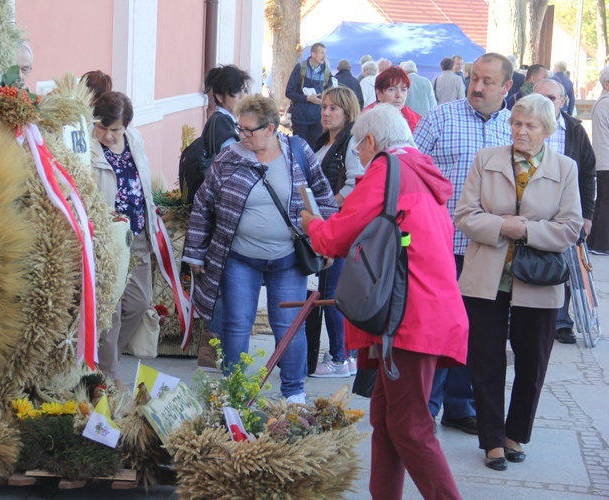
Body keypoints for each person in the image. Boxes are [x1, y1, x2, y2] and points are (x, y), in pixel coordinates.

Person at [303, 104, 467, 499]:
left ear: (372, 142)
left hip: (407, 319)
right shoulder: (419, 170)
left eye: (358, 149)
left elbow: (335, 237)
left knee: (410, 426)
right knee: (387, 419)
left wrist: (312, 223)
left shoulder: (386, 169)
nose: (357, 158)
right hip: (419, 312)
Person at [454, 93, 582, 471]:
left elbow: (570, 229)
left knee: (533, 362)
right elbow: (464, 215)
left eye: (530, 126)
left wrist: (526, 230)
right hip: (486, 277)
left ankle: (515, 435)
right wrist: (501, 225)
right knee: (486, 360)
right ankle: (492, 440)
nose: (521, 131)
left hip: (538, 280)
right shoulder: (486, 159)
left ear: (547, 130)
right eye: (516, 124)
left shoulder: (565, 168)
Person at [183, 94, 338, 403]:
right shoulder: (230, 157)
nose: (242, 136)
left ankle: (294, 393)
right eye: (240, 129)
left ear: (270, 129)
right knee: (237, 322)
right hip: (240, 257)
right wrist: (196, 252)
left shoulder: (297, 151)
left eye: (249, 130)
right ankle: (234, 391)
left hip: (289, 257)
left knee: (288, 325)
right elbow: (203, 204)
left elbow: (323, 196)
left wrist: (327, 240)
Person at [414, 52, 515, 435]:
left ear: (507, 87)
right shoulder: (441, 117)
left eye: (488, 81)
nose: (477, 86)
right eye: (474, 78)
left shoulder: (514, 126)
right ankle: (427, 406)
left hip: (491, 249)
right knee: (437, 329)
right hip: (442, 245)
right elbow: (410, 167)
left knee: (476, 333)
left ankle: (461, 406)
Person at [91, 91, 158, 387]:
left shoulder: (135, 141)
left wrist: (152, 218)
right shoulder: (89, 149)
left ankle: (100, 365)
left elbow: (143, 181)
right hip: (107, 239)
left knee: (139, 302)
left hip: (138, 235)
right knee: (112, 309)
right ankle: (109, 375)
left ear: (126, 127)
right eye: (102, 127)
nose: (107, 135)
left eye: (114, 129)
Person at [192, 64, 251, 370]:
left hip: (218, 213)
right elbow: (232, 169)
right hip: (221, 215)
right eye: (237, 91)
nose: (243, 96)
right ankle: (212, 345)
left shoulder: (224, 122)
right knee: (222, 282)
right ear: (220, 95)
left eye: (243, 90)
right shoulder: (222, 125)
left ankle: (211, 345)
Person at [534, 79, 596, 344]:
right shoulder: (518, 126)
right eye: (540, 97)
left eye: (552, 98)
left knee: (564, 265)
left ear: (563, 101)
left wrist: (587, 215)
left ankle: (561, 322)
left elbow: (587, 172)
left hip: (563, 209)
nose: (546, 103)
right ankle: (521, 316)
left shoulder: (573, 130)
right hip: (527, 206)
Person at [308, 86, 362, 378]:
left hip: (339, 227)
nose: (326, 113)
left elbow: (355, 185)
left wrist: (327, 209)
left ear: (347, 112)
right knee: (332, 289)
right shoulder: (328, 140)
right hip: (330, 224)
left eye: (333, 109)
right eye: (324, 107)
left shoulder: (350, 140)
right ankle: (345, 354)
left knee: (331, 291)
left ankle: (341, 357)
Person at [285, 42, 333, 149]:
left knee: (314, 151)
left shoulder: (326, 72)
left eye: (325, 53)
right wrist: (307, 98)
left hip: (316, 120)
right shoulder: (300, 68)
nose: (324, 56)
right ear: (313, 54)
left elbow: (330, 96)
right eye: (321, 53)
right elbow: (288, 92)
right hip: (299, 119)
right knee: (299, 151)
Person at [588, 66, 609, 256]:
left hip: (603, 160)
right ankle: (602, 244)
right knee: (606, 203)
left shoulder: (601, 102)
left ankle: (594, 241)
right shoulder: (606, 103)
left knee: (602, 202)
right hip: (607, 160)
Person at [362, 66, 421, 131]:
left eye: (403, 90)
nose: (399, 95)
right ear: (379, 93)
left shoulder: (417, 121)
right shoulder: (365, 119)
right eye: (392, 89)